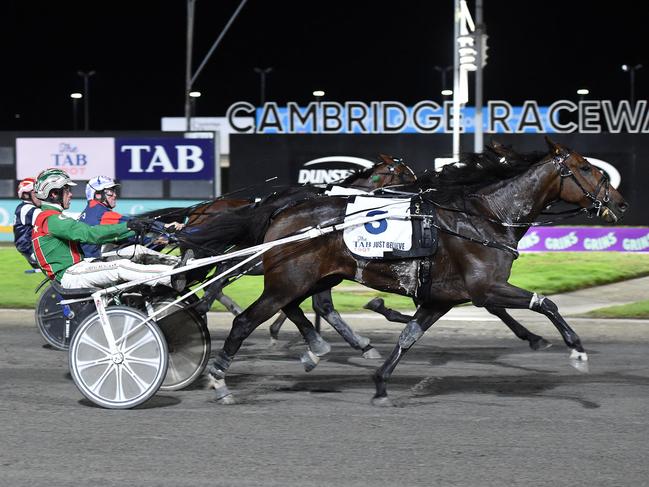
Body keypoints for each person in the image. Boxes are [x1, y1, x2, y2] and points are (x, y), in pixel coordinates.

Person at [31, 168, 189, 290]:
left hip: (79, 267)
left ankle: (179, 265)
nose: (71, 194)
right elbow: (90, 234)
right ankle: (172, 276)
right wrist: (129, 226)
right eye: (67, 190)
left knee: (132, 255)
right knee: (121, 266)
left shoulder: (49, 218)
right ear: (53, 193)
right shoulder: (52, 219)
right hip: (71, 274)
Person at [78, 175, 177, 265]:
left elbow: (120, 237)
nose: (115, 195)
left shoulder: (89, 211)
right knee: (138, 251)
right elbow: (136, 224)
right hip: (90, 264)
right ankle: (176, 263)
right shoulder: (101, 213)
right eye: (110, 192)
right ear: (98, 195)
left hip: (86, 261)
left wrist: (151, 241)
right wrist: (165, 226)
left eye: (114, 191)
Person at [13, 177, 41, 267]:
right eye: (36, 192)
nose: (41, 195)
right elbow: (50, 219)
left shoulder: (24, 207)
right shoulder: (27, 208)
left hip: (29, 246)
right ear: (26, 195)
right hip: (29, 247)